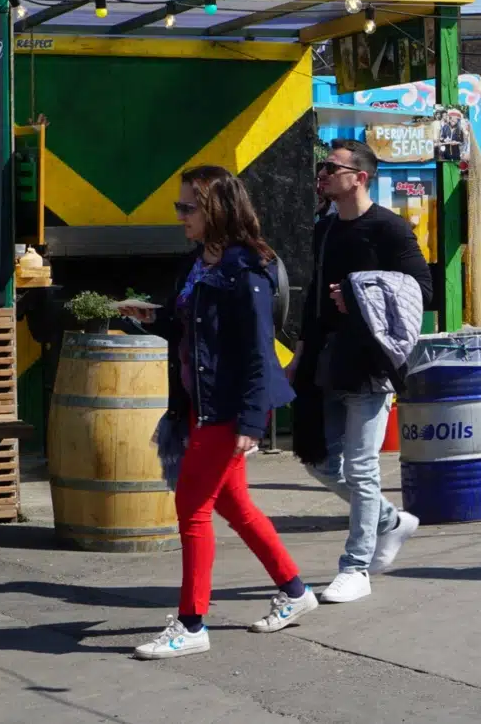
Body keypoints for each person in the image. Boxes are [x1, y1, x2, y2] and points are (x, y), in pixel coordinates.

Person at [128, 166, 312, 659]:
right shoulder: (200, 261)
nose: (181, 216)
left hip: (227, 410)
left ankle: (191, 625)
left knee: (191, 510)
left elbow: (258, 350)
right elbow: (191, 326)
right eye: (179, 207)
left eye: (188, 207)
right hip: (201, 402)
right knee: (235, 506)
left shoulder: (243, 268)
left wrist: (253, 423)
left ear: (215, 208)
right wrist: (153, 317)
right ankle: (296, 591)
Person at [288, 139, 432, 604]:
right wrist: (299, 351)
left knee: (364, 467)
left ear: (360, 177)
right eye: (321, 167)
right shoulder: (325, 229)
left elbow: (422, 289)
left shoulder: (389, 229)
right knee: (319, 462)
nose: (322, 173)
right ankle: (391, 521)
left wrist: (361, 293)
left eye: (331, 167)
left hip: (368, 360)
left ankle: (356, 568)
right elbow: (313, 295)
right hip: (325, 358)